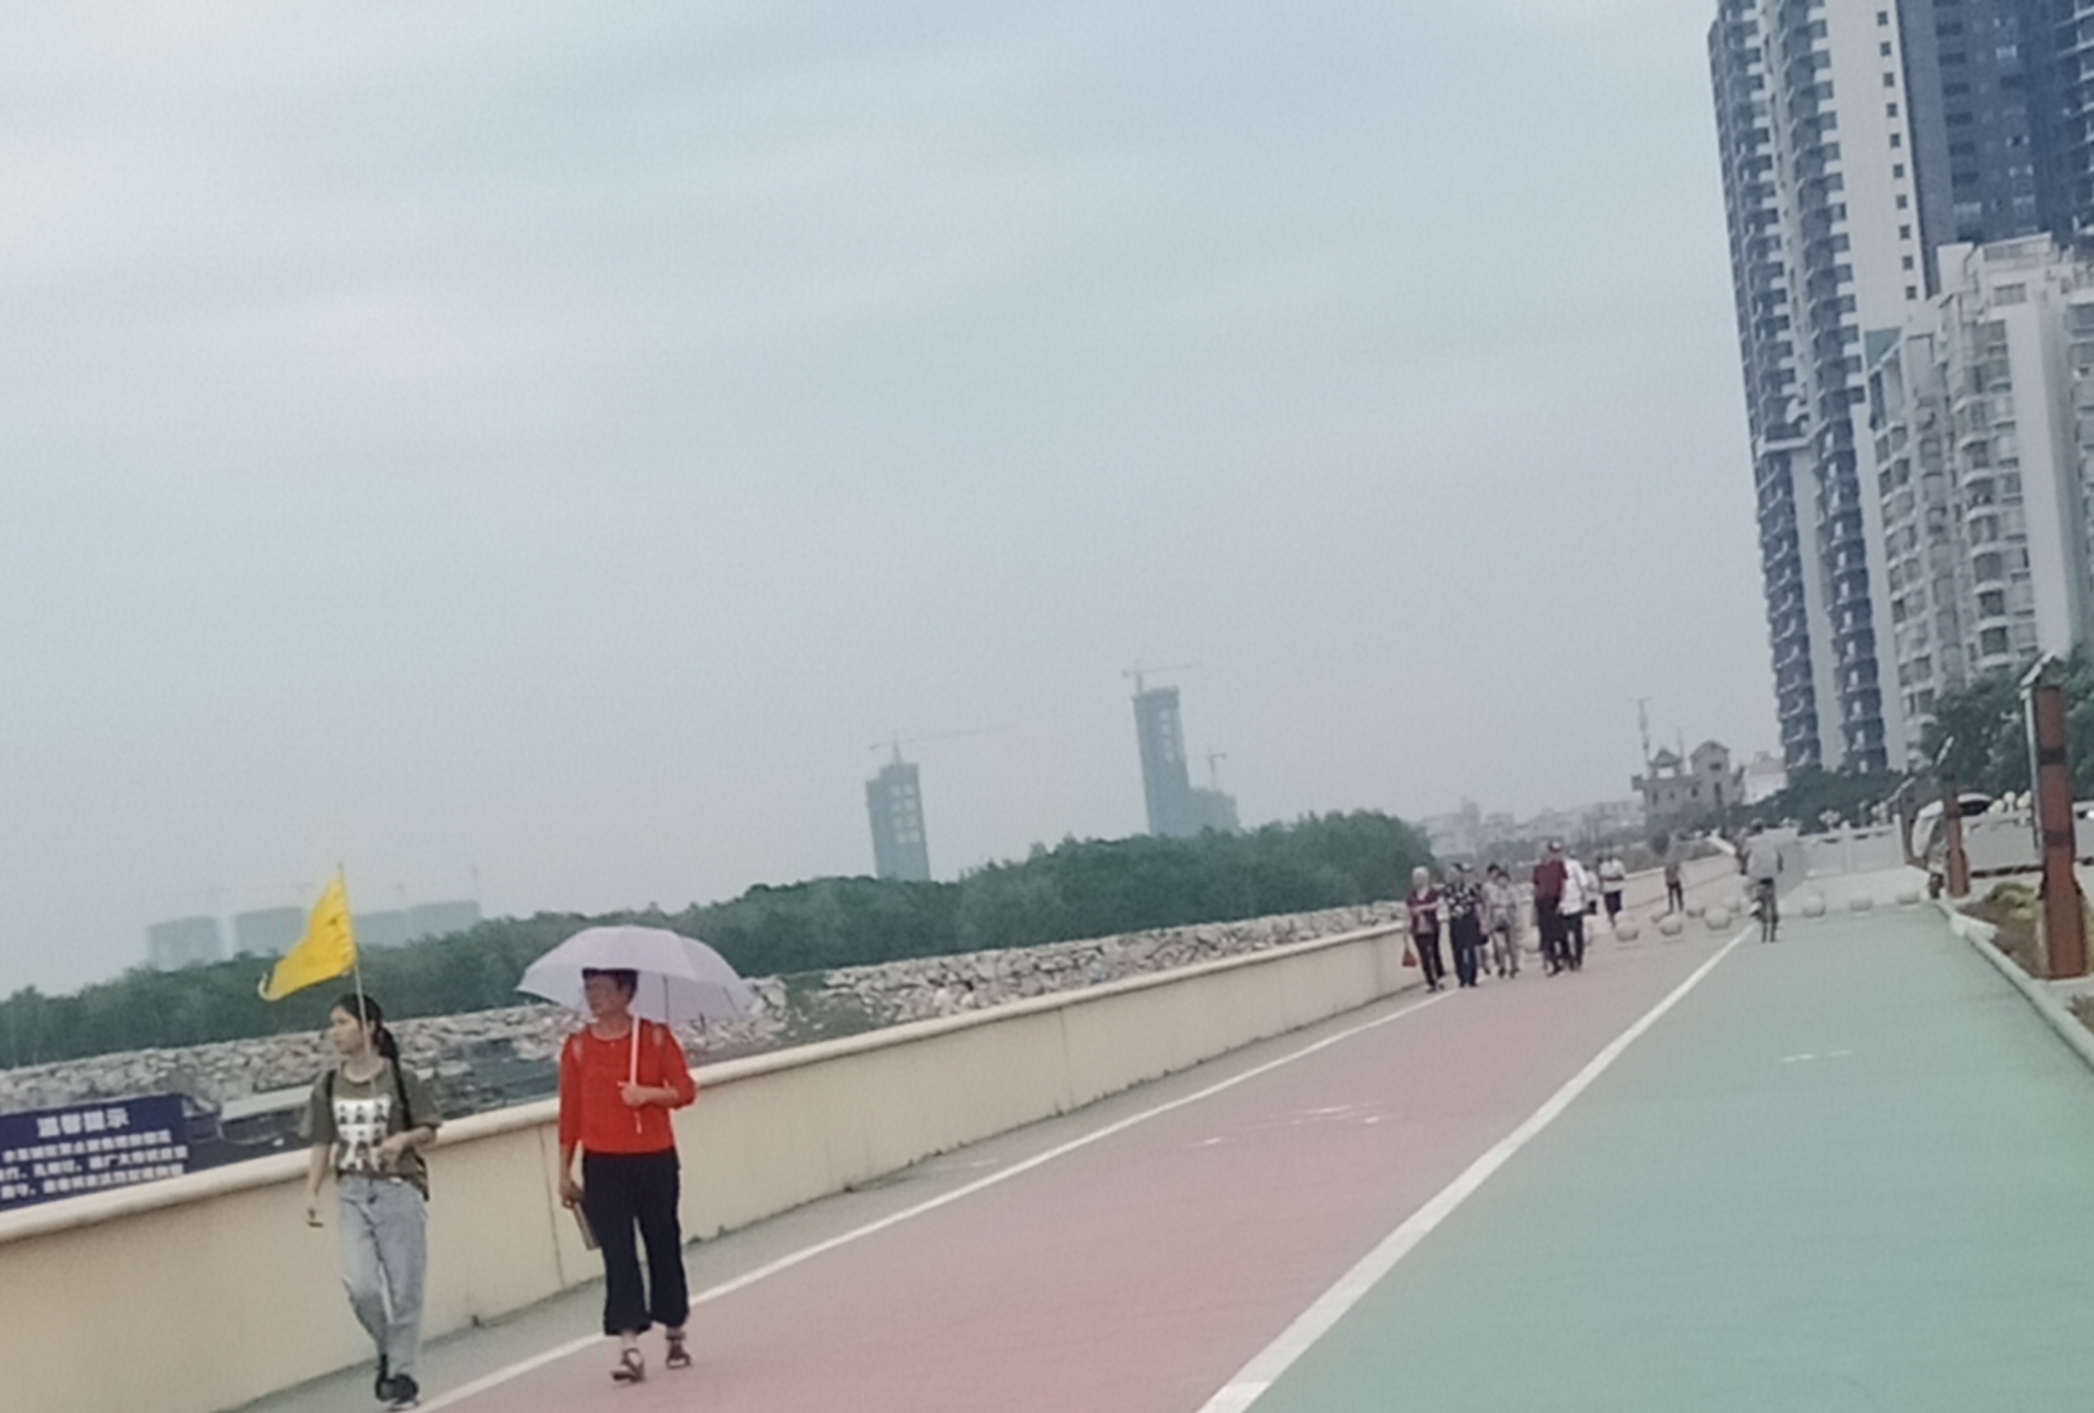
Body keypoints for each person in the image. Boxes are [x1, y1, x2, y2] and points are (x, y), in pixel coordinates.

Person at [557, 968, 699, 1384]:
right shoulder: (577, 1047)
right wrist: (564, 1171)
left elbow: (685, 1090)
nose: (594, 997)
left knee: (662, 1243)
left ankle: (674, 1327)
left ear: (626, 992)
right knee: (617, 1253)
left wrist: (647, 1095)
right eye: (589, 989)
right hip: (603, 1164)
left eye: (603, 989)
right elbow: (570, 1113)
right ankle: (629, 1344)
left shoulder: (654, 1038)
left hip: (654, 1158)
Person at [302, 994, 441, 1412]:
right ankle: (389, 1353)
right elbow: (322, 1140)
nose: (335, 1032)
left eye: (343, 1023)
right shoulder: (329, 1084)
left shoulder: (401, 1078)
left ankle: (403, 1379)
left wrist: (402, 1140)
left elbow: (430, 1128)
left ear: (369, 1027)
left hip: (398, 1187)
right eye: (334, 1023)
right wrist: (312, 1190)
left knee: (405, 1290)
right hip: (353, 1190)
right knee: (361, 1286)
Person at [1405, 866, 1447, 993]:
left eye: (1419, 877)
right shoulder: (1411, 895)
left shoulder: (1433, 893)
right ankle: (1430, 980)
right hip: (1417, 928)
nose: (1416, 880)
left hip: (1431, 926)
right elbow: (1407, 911)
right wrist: (1406, 927)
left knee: (1434, 952)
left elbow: (1439, 904)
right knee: (1423, 955)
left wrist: (1424, 908)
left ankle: (1439, 976)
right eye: (1415, 878)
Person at [1445, 863, 1485, 989]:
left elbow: (1477, 904)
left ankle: (1472, 977)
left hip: (1468, 920)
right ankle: (1461, 977)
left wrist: (1481, 921)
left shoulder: (1470, 889)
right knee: (1457, 950)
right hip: (1455, 921)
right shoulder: (1447, 891)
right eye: (1450, 873)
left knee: (1470, 948)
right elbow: (1445, 905)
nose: (1451, 876)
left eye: (1454, 873)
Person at [1532, 843, 1567, 974]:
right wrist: (1534, 909)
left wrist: (1562, 901)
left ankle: (1565, 957)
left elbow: (1563, 884)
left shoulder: (1557, 865)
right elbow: (1536, 887)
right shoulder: (1537, 869)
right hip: (1542, 903)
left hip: (1555, 901)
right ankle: (1552, 962)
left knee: (1560, 933)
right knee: (1546, 936)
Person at [1482, 863, 1521, 978]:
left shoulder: (1512, 891)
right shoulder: (1491, 890)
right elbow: (1488, 906)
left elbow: (1517, 905)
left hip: (1510, 919)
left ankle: (1514, 966)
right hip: (1497, 920)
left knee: (1512, 945)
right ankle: (1502, 965)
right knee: (1500, 946)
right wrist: (1487, 921)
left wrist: (1517, 919)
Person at [1746, 825, 1784, 942]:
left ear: (1753, 830)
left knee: (1751, 893)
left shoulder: (1749, 842)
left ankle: (1756, 909)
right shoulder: (1771, 840)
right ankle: (1774, 922)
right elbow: (1778, 856)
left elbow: (1744, 855)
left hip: (1757, 875)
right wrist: (1779, 868)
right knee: (1772, 901)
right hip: (1770, 874)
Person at [1559, 851, 1593, 972]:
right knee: (1563, 935)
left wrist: (1585, 900)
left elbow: (1583, 883)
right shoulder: (1553, 867)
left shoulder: (1574, 865)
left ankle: (1578, 957)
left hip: (1576, 904)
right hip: (1560, 906)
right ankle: (1568, 957)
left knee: (1577, 933)